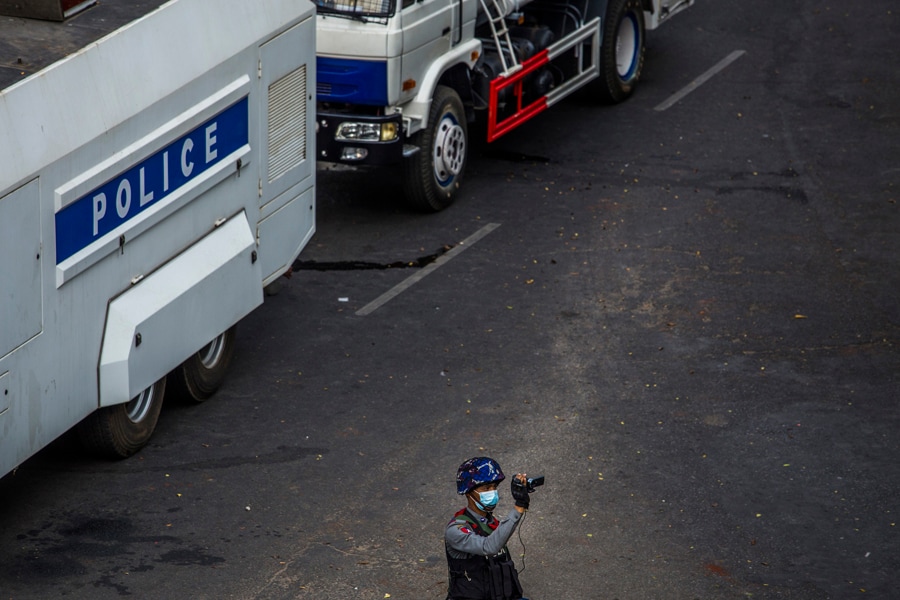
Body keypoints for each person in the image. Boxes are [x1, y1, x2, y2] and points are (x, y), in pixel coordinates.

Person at [445, 457, 532, 600]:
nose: (492, 492)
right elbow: (489, 546)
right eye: (486, 488)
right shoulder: (455, 530)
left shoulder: (490, 522)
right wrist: (518, 507)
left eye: (494, 487)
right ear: (469, 492)